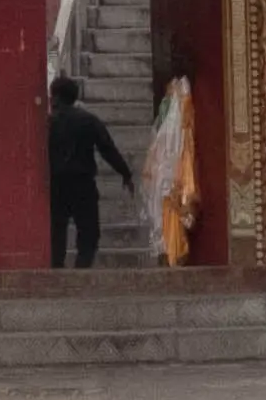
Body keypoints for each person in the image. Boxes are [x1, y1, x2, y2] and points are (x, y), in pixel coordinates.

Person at [41, 69, 134, 269]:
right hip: (83, 184)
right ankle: (82, 269)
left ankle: (57, 270)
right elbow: (108, 150)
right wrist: (125, 173)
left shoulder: (47, 124)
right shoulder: (88, 120)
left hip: (56, 184)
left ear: (55, 97)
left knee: (57, 231)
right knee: (89, 231)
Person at [142, 62, 198, 268]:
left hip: (172, 164)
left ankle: (172, 256)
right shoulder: (174, 99)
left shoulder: (180, 97)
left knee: (169, 211)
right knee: (166, 213)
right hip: (169, 164)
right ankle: (170, 256)